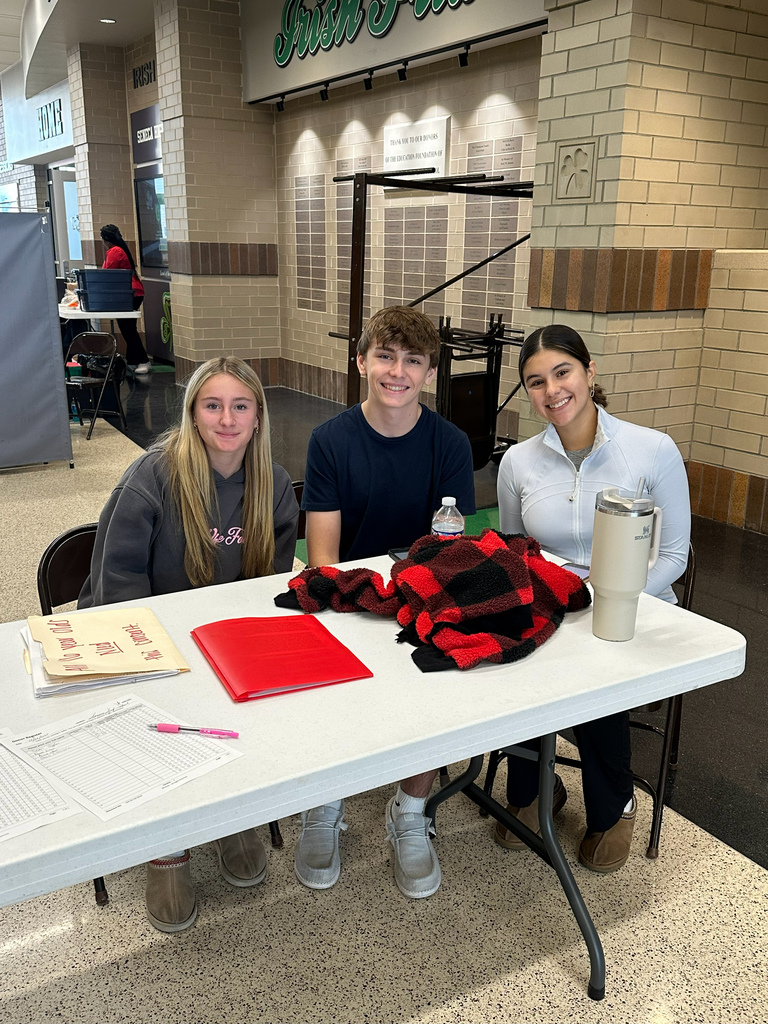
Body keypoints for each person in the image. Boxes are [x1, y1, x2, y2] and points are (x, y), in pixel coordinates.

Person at [79, 356, 299, 931]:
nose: (227, 419)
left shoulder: (273, 484)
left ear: (257, 416)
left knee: (252, 703)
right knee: (161, 718)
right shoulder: (152, 476)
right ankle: (166, 848)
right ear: (193, 413)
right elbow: (116, 582)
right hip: (143, 637)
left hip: (219, 641)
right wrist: (159, 662)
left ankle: (229, 814)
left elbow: (268, 589)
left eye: (240, 406)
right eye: (213, 405)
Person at [296, 305, 476, 899]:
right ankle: (324, 803)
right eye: (385, 356)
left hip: (420, 599)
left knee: (437, 678)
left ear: (430, 373)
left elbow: (451, 555)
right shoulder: (330, 441)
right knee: (327, 679)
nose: (398, 372)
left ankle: (411, 810)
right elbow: (324, 560)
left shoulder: (450, 443)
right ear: (361, 362)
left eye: (413, 361)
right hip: (352, 600)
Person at [496, 324, 690, 872]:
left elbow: (673, 555)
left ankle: (615, 804)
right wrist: (560, 603)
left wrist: (608, 599)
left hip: (636, 607)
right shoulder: (518, 462)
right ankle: (535, 787)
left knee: (594, 669)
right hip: (556, 607)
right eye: (536, 382)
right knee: (516, 653)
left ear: (589, 371)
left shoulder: (651, 450)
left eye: (563, 372)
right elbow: (516, 553)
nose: (552, 390)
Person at [100, 223, 151, 373]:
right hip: (133, 292)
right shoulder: (121, 249)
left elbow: (107, 273)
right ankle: (133, 360)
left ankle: (143, 361)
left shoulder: (114, 251)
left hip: (130, 293)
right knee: (129, 328)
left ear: (105, 240)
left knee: (128, 330)